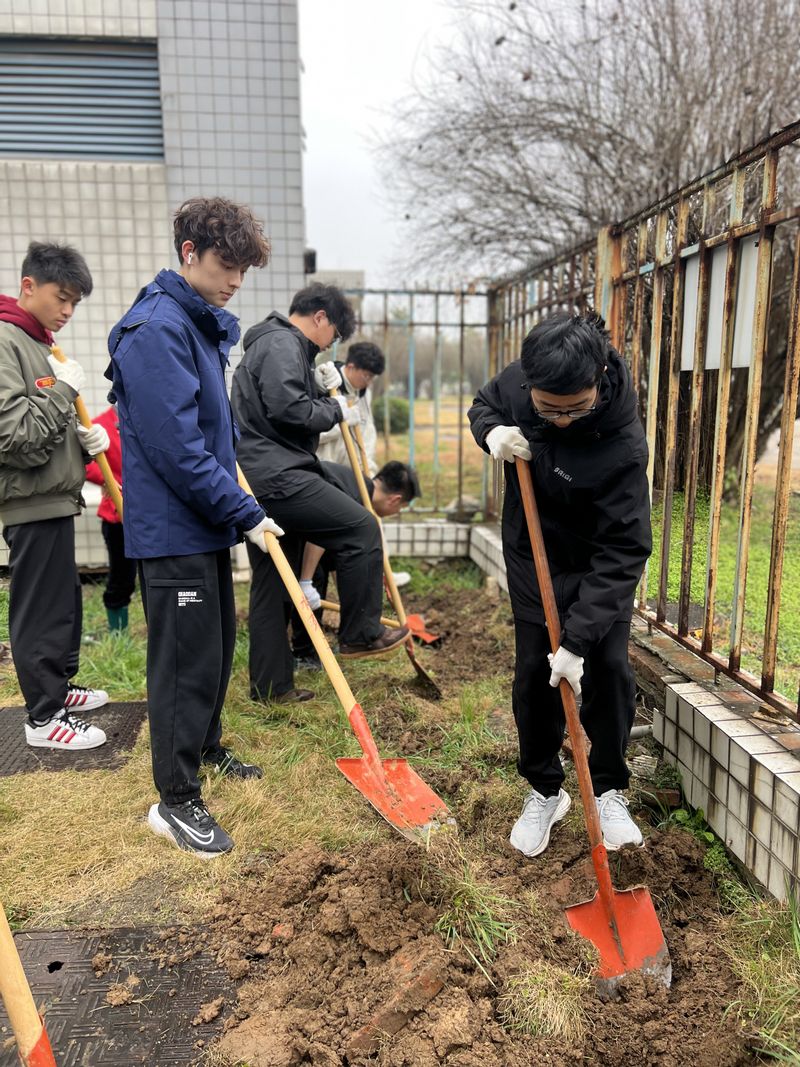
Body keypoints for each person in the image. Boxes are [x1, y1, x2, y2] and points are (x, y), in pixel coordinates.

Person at [107, 196, 283, 859]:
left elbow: (211, 432)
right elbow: (178, 449)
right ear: (189, 253)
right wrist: (245, 512)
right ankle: (175, 799)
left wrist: (236, 505)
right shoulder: (157, 330)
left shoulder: (196, 322)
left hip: (203, 522)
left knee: (213, 645)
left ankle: (204, 746)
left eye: (243, 269)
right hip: (174, 526)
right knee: (183, 662)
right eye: (225, 264)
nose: (235, 280)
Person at [468, 311, 651, 857]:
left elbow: (625, 549)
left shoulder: (623, 444)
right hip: (534, 553)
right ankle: (546, 790)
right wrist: (492, 432)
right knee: (533, 674)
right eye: (550, 410)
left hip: (598, 562)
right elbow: (484, 404)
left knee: (609, 669)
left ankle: (609, 789)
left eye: (577, 408)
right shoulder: (521, 382)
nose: (564, 421)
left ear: (599, 379)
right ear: (530, 386)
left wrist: (577, 641)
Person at [231, 283, 409, 706]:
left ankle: (271, 687)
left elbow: (283, 402)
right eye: (335, 334)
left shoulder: (276, 345)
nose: (332, 344)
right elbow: (289, 409)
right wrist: (336, 409)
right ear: (320, 317)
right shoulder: (281, 342)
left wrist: (319, 386)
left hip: (261, 477)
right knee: (361, 529)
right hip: (280, 475)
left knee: (275, 581)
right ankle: (360, 633)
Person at [0, 241, 110, 751]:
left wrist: (84, 446)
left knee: (62, 604)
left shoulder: (37, 341)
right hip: (29, 501)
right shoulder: (6, 340)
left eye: (75, 302)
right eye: (61, 297)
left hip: (55, 497)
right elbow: (14, 436)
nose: (67, 311)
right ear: (29, 286)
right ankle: (44, 718)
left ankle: (59, 689)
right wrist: (63, 392)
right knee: (39, 610)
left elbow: (42, 431)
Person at [292, 460, 421, 670]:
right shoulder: (352, 494)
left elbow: (341, 556)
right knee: (315, 576)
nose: (397, 512)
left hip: (293, 508)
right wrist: (305, 581)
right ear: (395, 500)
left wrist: (352, 600)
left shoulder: (357, 485)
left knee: (322, 568)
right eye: (401, 508)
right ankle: (304, 654)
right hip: (291, 519)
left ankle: (308, 651)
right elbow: (319, 532)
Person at [84, 405, 135, 632]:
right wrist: (107, 479)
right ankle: (118, 633)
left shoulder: (146, 419)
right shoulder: (98, 425)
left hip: (151, 512)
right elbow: (85, 463)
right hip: (117, 513)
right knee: (122, 575)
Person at [315, 341, 385, 474]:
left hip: (352, 472)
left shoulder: (365, 395)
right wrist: (342, 423)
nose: (369, 382)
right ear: (351, 367)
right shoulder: (324, 386)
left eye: (373, 377)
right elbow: (313, 433)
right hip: (323, 468)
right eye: (367, 376)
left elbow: (368, 433)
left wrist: (368, 471)